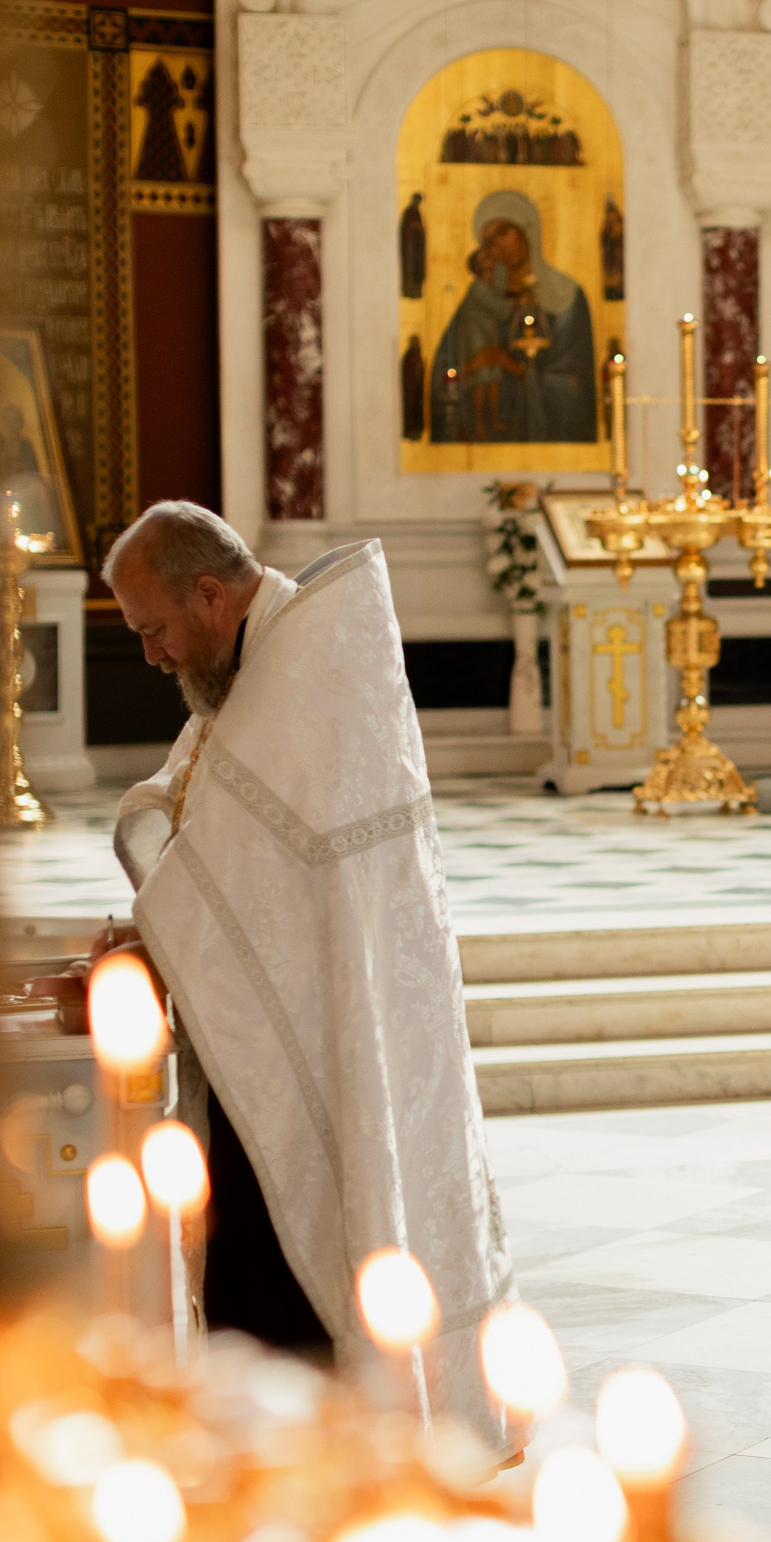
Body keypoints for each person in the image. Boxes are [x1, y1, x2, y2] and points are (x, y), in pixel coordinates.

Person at [98, 502, 516, 1449]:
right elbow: (201, 821)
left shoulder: (303, 672)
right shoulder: (263, 664)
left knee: (298, 1263)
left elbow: (224, 870)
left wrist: (156, 927)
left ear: (211, 595)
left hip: (322, 1035)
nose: (152, 655)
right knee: (259, 1252)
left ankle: (312, 1460)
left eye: (154, 629)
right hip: (278, 1025)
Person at [428, 191, 597, 444]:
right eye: (488, 243)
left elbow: (577, 387)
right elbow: (444, 373)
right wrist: (472, 366)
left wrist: (516, 372)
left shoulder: (566, 297)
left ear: (526, 229)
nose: (497, 247)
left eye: (503, 233)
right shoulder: (480, 299)